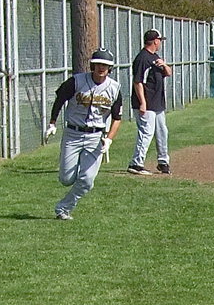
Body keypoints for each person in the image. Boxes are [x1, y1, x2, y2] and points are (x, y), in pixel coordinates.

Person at [44, 47, 122, 220]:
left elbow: (117, 117)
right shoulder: (76, 82)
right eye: (98, 64)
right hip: (73, 133)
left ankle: (64, 208)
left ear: (110, 68)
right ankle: (75, 174)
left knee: (87, 180)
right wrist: (52, 123)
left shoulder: (115, 88)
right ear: (92, 66)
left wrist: (109, 139)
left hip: (96, 137)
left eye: (105, 65)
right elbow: (60, 100)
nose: (101, 68)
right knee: (66, 178)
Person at [128, 28, 172, 175]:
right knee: (146, 132)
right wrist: (142, 102)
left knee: (162, 132)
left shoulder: (155, 57)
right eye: (159, 40)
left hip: (157, 103)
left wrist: (164, 65)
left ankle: (163, 162)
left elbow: (169, 73)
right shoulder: (142, 58)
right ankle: (136, 163)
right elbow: (138, 82)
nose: (160, 43)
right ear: (155, 41)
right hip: (146, 103)